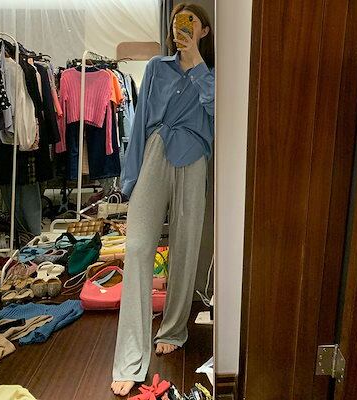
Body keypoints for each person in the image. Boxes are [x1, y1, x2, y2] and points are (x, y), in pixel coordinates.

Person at [111, 2, 215, 397]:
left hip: (194, 158)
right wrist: (131, 177)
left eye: (190, 22)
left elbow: (216, 112)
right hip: (155, 150)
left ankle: (173, 329)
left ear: (204, 31)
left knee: (185, 246)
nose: (180, 27)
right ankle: (129, 357)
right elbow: (139, 122)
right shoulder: (157, 67)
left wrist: (197, 63)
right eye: (176, 22)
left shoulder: (212, 75)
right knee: (138, 247)